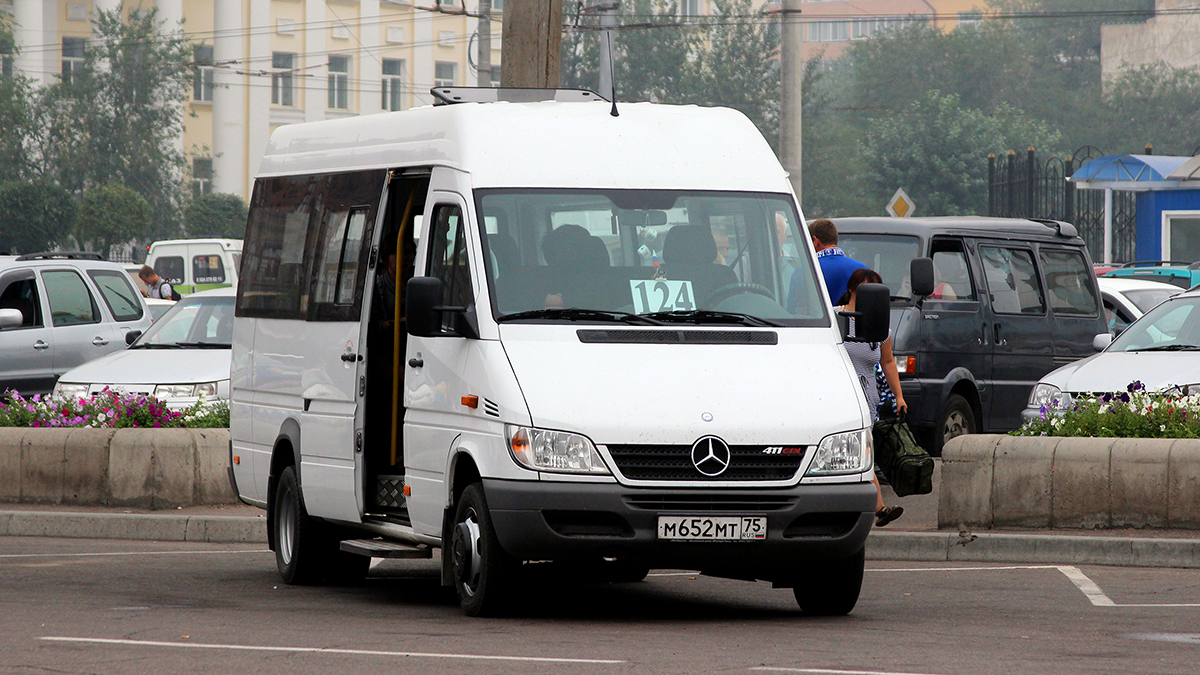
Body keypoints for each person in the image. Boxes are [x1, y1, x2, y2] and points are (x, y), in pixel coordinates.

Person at [841, 268, 907, 527]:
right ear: (852, 290)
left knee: (864, 449)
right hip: (842, 395)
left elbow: (888, 362)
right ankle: (878, 508)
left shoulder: (880, 328)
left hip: (867, 397)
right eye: (865, 291)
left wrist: (898, 396)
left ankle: (874, 508)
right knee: (861, 451)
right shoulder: (837, 319)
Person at [795, 218, 866, 308]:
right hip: (851, 322)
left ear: (815, 241)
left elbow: (793, 312)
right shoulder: (861, 269)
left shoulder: (803, 272)